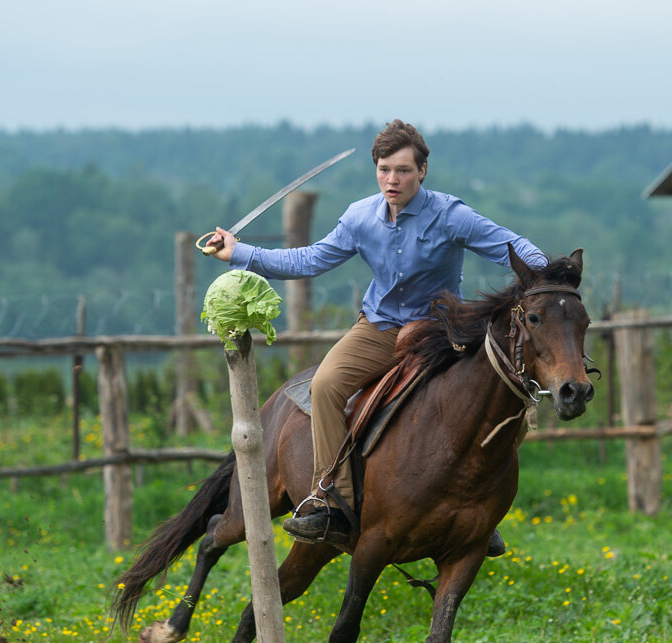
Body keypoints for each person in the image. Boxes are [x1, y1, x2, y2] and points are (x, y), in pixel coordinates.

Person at [206, 120, 547, 545]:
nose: (392, 179)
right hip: (379, 327)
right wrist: (240, 252)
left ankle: (484, 506)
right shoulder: (359, 217)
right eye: (384, 169)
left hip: (441, 331)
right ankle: (330, 500)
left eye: (403, 170)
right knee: (326, 386)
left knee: (500, 391)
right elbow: (308, 262)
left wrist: (549, 278)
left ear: (423, 171)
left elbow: (515, 247)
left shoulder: (452, 216)